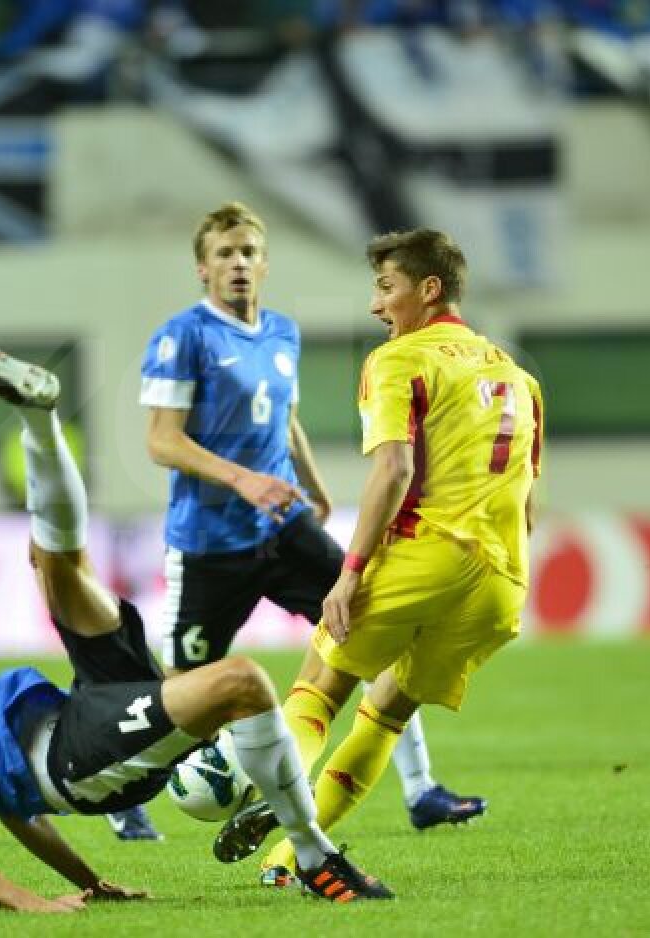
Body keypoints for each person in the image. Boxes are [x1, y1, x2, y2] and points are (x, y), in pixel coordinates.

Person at [0, 341, 394, 909]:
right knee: (241, 682)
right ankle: (314, 855)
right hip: (76, 763)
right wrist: (33, 903)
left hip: (78, 708)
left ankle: (38, 416)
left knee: (57, 566)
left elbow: (13, 813)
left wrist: (88, 883)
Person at [139, 202, 485, 862]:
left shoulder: (281, 334)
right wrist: (245, 481)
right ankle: (126, 801)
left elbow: (286, 418)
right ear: (202, 268)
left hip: (286, 527)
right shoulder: (182, 337)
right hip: (211, 543)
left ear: (264, 264)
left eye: (248, 252)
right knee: (181, 689)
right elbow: (161, 442)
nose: (238, 263)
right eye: (224, 253)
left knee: (371, 630)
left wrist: (315, 486)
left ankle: (420, 790)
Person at [214, 228, 543, 885]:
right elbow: (528, 500)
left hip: (427, 552)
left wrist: (352, 572)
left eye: (386, 288)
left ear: (429, 289)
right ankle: (284, 864)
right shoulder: (519, 376)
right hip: (503, 581)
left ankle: (269, 796)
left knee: (316, 687)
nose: (376, 305)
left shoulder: (398, 360)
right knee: (387, 715)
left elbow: (392, 471)